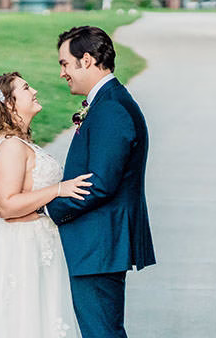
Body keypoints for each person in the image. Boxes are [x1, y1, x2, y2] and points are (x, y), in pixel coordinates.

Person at [0, 72, 92, 338]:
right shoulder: (10, 146)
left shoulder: (18, 142)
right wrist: (59, 190)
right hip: (20, 249)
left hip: (36, 244)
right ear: (9, 104)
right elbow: (7, 205)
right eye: (26, 88)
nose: (34, 90)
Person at [46, 26, 156, 338]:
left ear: (88, 60)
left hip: (98, 244)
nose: (62, 73)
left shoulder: (110, 109)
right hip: (97, 244)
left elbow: (100, 183)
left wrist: (50, 209)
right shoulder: (109, 102)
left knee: (102, 333)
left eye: (65, 63)